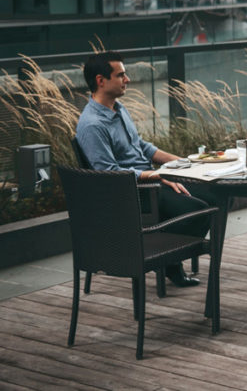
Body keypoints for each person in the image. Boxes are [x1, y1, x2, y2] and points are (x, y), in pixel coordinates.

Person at [75, 51, 210, 288]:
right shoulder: (92, 125)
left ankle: (169, 258)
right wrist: (157, 175)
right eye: (121, 75)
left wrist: (184, 162)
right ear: (101, 80)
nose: (127, 80)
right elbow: (110, 174)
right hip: (132, 194)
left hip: (151, 182)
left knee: (213, 194)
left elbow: (142, 148)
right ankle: (167, 260)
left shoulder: (118, 109)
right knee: (201, 210)